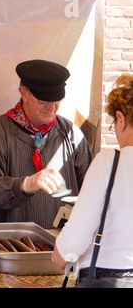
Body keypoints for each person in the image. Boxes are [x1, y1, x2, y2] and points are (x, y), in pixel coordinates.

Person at [0, 59, 93, 228]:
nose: (52, 108)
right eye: (43, 101)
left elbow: (92, 190)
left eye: (57, 101)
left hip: (61, 246)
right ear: (23, 93)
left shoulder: (71, 134)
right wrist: (24, 185)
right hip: (13, 247)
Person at [52, 74, 133, 288]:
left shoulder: (109, 163)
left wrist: (61, 258)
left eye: (114, 124)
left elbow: (74, 240)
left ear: (121, 119)